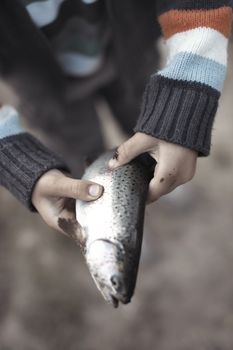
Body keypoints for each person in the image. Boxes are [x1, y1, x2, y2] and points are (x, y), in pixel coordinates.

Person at [0, 0, 232, 237]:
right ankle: (113, 220)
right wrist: (12, 158)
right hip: (48, 93)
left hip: (129, 53)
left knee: (146, 122)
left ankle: (157, 179)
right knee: (79, 152)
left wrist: (182, 98)